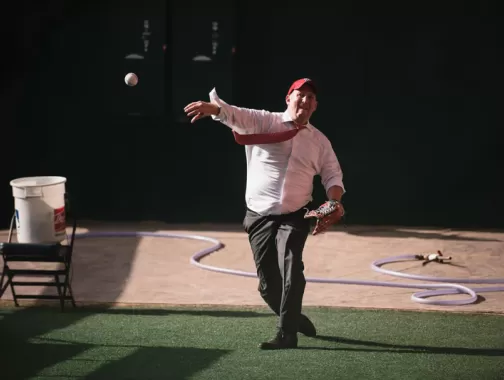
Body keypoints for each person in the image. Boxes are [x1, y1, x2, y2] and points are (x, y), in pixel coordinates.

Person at [184, 78, 345, 350]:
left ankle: (286, 334)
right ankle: (293, 318)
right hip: (259, 215)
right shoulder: (264, 122)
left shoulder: (319, 141)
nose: (304, 101)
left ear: (315, 106)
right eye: (300, 95)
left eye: (310, 98)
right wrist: (214, 110)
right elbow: (235, 114)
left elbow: (332, 174)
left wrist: (333, 201)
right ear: (288, 99)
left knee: (293, 267)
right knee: (268, 286)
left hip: (296, 214)